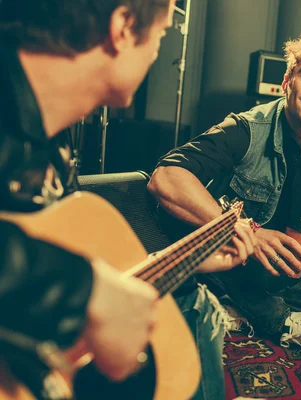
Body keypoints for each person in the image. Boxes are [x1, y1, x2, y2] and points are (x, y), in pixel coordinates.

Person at [0, 1, 255, 399]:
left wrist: (186, 261)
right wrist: (85, 291)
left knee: (193, 299)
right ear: (122, 28)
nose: (157, 52)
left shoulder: (55, 137)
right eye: (160, 35)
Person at [148, 28, 301, 356]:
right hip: (232, 258)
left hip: (273, 269)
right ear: (287, 83)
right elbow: (166, 177)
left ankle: (238, 309)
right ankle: (280, 320)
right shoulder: (245, 129)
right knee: (226, 256)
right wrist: (245, 232)